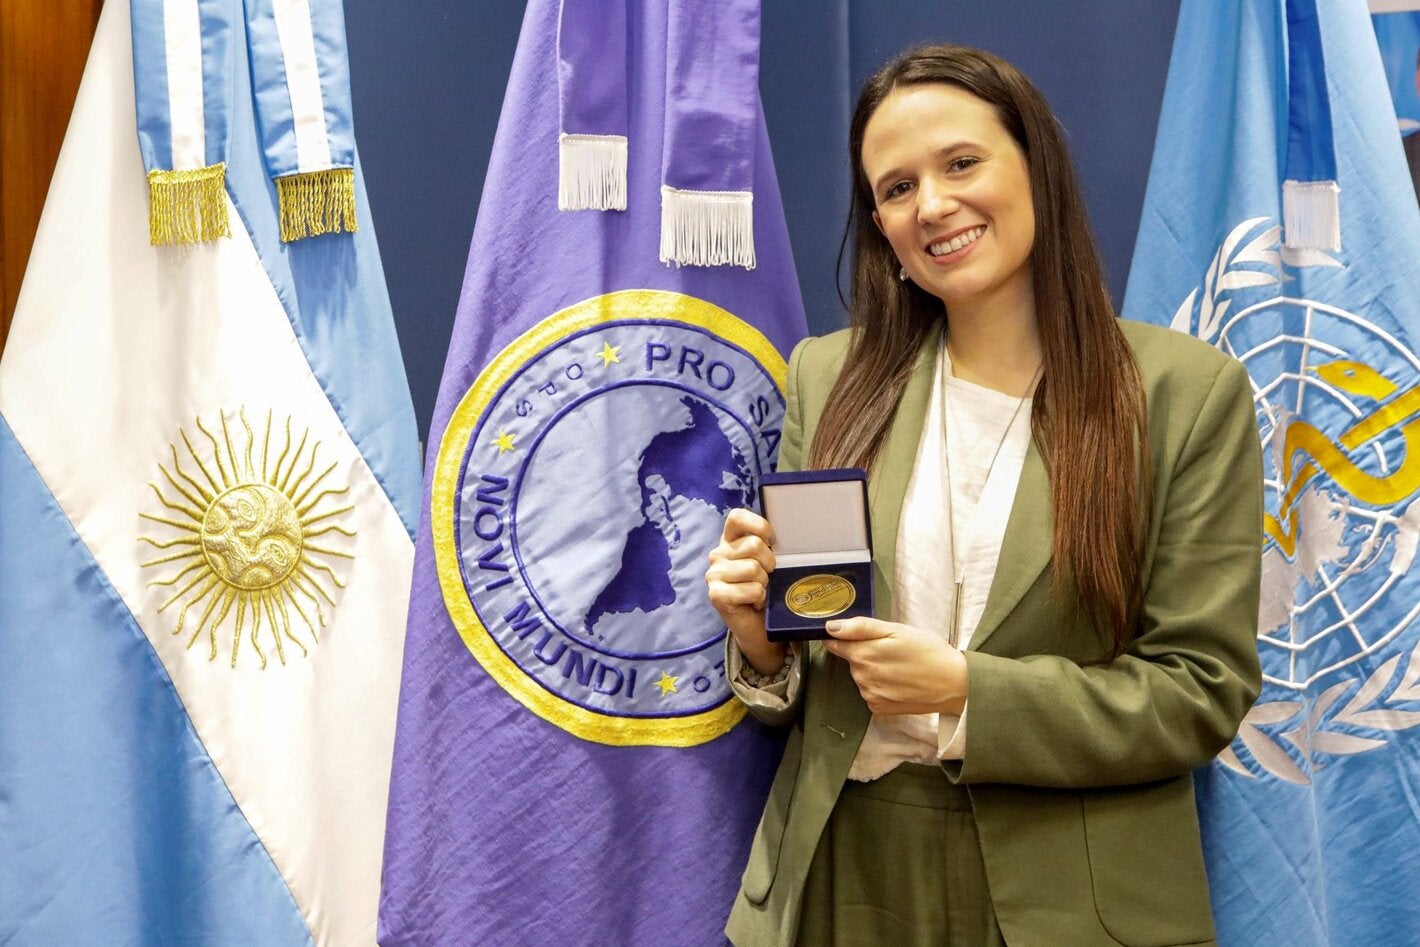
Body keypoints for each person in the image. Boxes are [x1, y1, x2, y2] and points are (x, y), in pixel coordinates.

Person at [706, 45, 1263, 946]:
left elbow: (1200, 690)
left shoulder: (1185, 393)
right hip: (842, 867)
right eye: (895, 188)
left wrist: (970, 692)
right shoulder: (826, 374)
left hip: (1072, 895)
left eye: (961, 163)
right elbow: (807, 672)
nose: (932, 205)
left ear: (1035, 164)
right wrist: (761, 643)